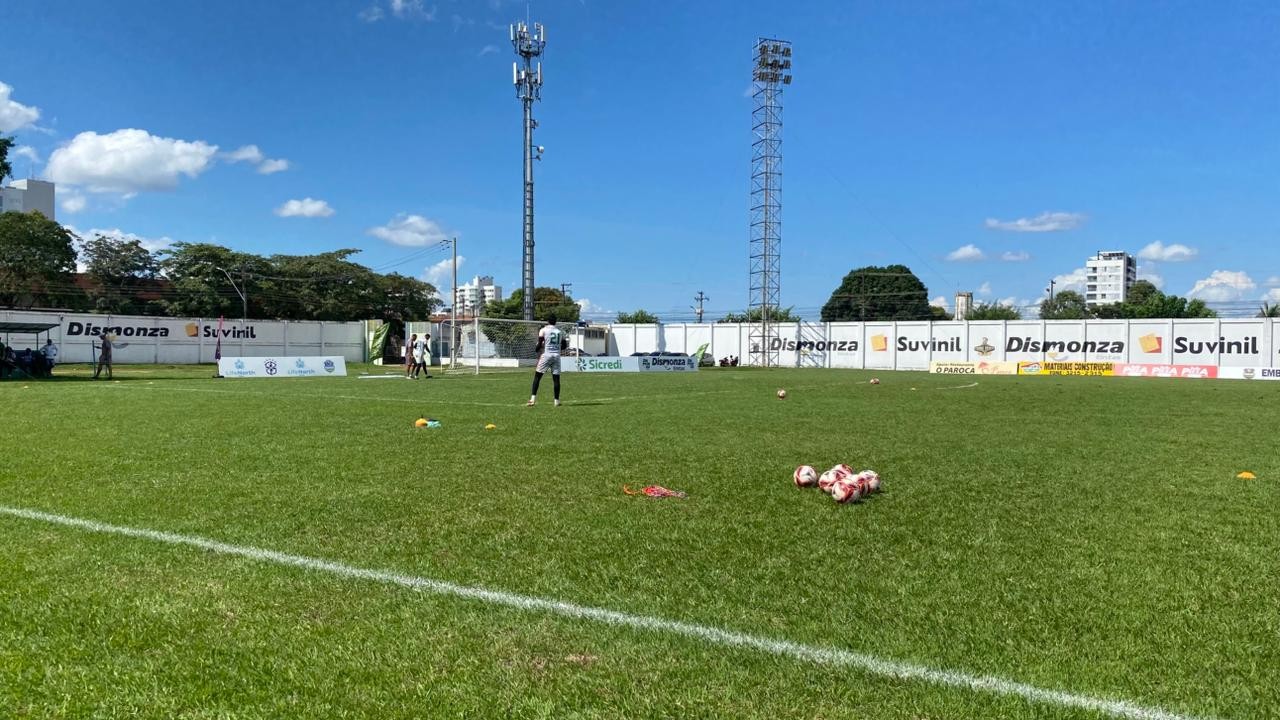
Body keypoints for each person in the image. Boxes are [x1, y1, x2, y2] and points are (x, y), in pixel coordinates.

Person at [527, 314, 566, 407]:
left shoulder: (543, 330)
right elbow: (564, 346)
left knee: (537, 377)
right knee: (556, 379)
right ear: (555, 322)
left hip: (546, 355)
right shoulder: (560, 332)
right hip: (556, 356)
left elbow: (540, 343)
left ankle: (532, 399)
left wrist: (536, 349)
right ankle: (556, 401)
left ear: (547, 321)